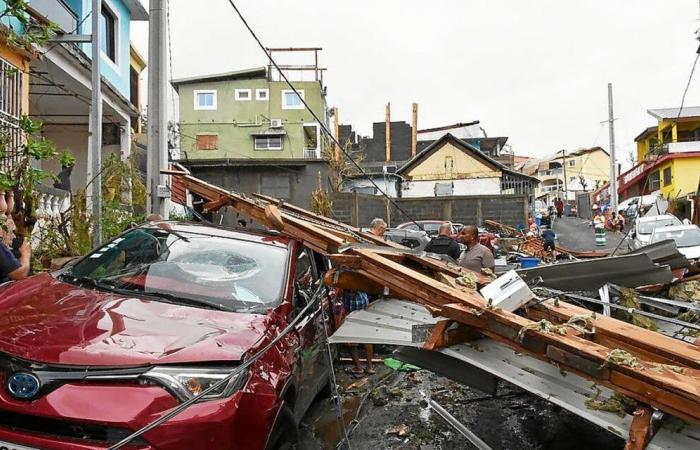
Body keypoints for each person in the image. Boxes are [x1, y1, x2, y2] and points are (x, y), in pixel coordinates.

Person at [344, 217, 386, 376]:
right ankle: (369, 367)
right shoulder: (370, 244)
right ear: (380, 228)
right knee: (366, 334)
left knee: (351, 337)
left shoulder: (354, 257)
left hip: (354, 299)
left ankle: (359, 368)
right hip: (363, 297)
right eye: (384, 229)